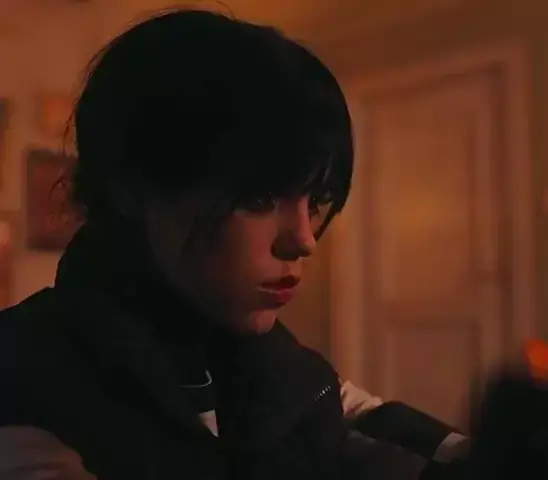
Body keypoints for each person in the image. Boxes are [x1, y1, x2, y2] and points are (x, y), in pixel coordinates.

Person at [0, 8, 468, 480]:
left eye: (316, 201)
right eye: (260, 197)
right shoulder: (22, 377)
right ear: (133, 187)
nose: (304, 240)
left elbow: (377, 432)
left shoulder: (286, 373)